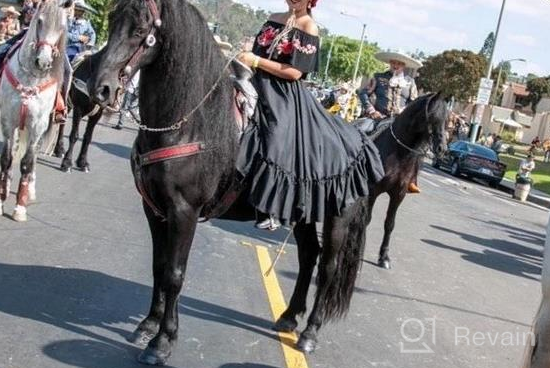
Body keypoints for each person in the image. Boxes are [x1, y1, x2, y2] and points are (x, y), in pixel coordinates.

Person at [235, 0, 384, 230]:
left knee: (277, 133)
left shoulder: (308, 26)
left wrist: (257, 60)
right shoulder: (274, 17)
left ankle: (272, 208)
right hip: (255, 80)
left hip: (282, 93)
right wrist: (248, 60)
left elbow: (295, 72)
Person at [358, 51, 422, 193]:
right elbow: (363, 93)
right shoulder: (379, 77)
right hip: (380, 117)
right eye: (393, 62)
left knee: (416, 145)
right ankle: (357, 164)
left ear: (404, 66)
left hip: (401, 121)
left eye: (399, 63)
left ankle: (411, 179)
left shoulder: (410, 83)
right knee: (362, 130)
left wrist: (405, 110)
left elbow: (414, 102)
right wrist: (371, 110)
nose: (395, 65)